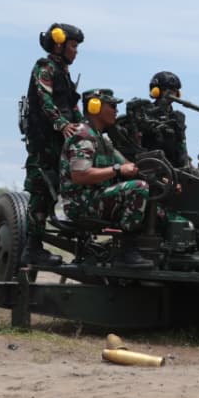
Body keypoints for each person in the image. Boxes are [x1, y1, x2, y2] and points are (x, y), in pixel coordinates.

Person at [58, 89, 157, 269]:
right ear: (95, 107)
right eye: (112, 106)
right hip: (80, 203)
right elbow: (80, 175)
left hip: (97, 198)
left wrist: (160, 179)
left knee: (152, 192)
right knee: (138, 188)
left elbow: (130, 166)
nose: (116, 111)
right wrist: (117, 170)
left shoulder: (102, 140)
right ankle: (126, 251)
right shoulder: (83, 135)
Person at [21, 22, 86, 266]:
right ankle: (32, 249)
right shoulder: (45, 67)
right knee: (42, 191)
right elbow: (44, 98)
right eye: (73, 46)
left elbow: (72, 106)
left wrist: (84, 129)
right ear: (59, 45)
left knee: (64, 188)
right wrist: (61, 124)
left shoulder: (64, 73)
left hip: (61, 142)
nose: (75, 52)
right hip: (45, 142)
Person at [110, 71, 191, 169]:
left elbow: (182, 145)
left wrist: (186, 166)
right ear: (156, 90)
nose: (171, 93)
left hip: (173, 168)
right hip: (149, 166)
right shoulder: (143, 111)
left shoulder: (178, 117)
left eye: (173, 90)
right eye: (165, 89)